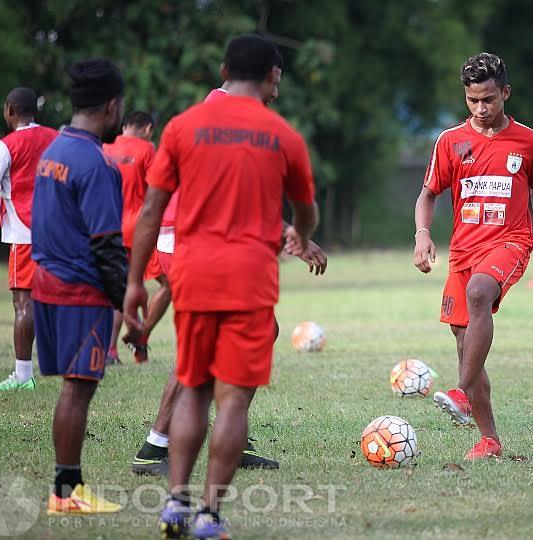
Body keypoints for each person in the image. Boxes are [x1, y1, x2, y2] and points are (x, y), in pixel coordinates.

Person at [124, 34, 318, 538]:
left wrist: (133, 283)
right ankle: (210, 514)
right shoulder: (283, 136)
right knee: (232, 401)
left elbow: (150, 211)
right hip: (250, 281)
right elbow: (306, 212)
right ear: (273, 76)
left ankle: (174, 503)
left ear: (223, 67)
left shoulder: (182, 128)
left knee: (193, 390)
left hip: (193, 275)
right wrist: (304, 235)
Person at [414, 52, 533, 460]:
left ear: (505, 93)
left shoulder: (529, 142)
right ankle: (490, 440)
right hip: (463, 251)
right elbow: (428, 194)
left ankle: (460, 394)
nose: (481, 109)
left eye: (489, 100)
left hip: (511, 242)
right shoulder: (451, 142)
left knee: (481, 293)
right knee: (467, 345)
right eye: (473, 100)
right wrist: (422, 235)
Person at [32, 59, 128, 514]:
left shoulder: (54, 150)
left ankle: (67, 487)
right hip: (79, 291)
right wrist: (125, 302)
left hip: (46, 284)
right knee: (78, 387)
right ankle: (66, 492)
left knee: (74, 387)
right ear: (112, 106)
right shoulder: (95, 163)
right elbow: (108, 245)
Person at [0, 87, 57, 391]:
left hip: (25, 233)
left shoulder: (7, 145)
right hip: (58, 231)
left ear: (9, 109)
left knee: (23, 303)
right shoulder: (55, 138)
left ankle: (23, 377)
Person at [102, 110, 169, 364]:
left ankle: (111, 351)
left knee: (120, 288)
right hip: (141, 229)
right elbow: (159, 189)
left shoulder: (105, 148)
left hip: (110, 228)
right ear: (148, 129)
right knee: (169, 284)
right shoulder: (147, 150)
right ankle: (140, 337)